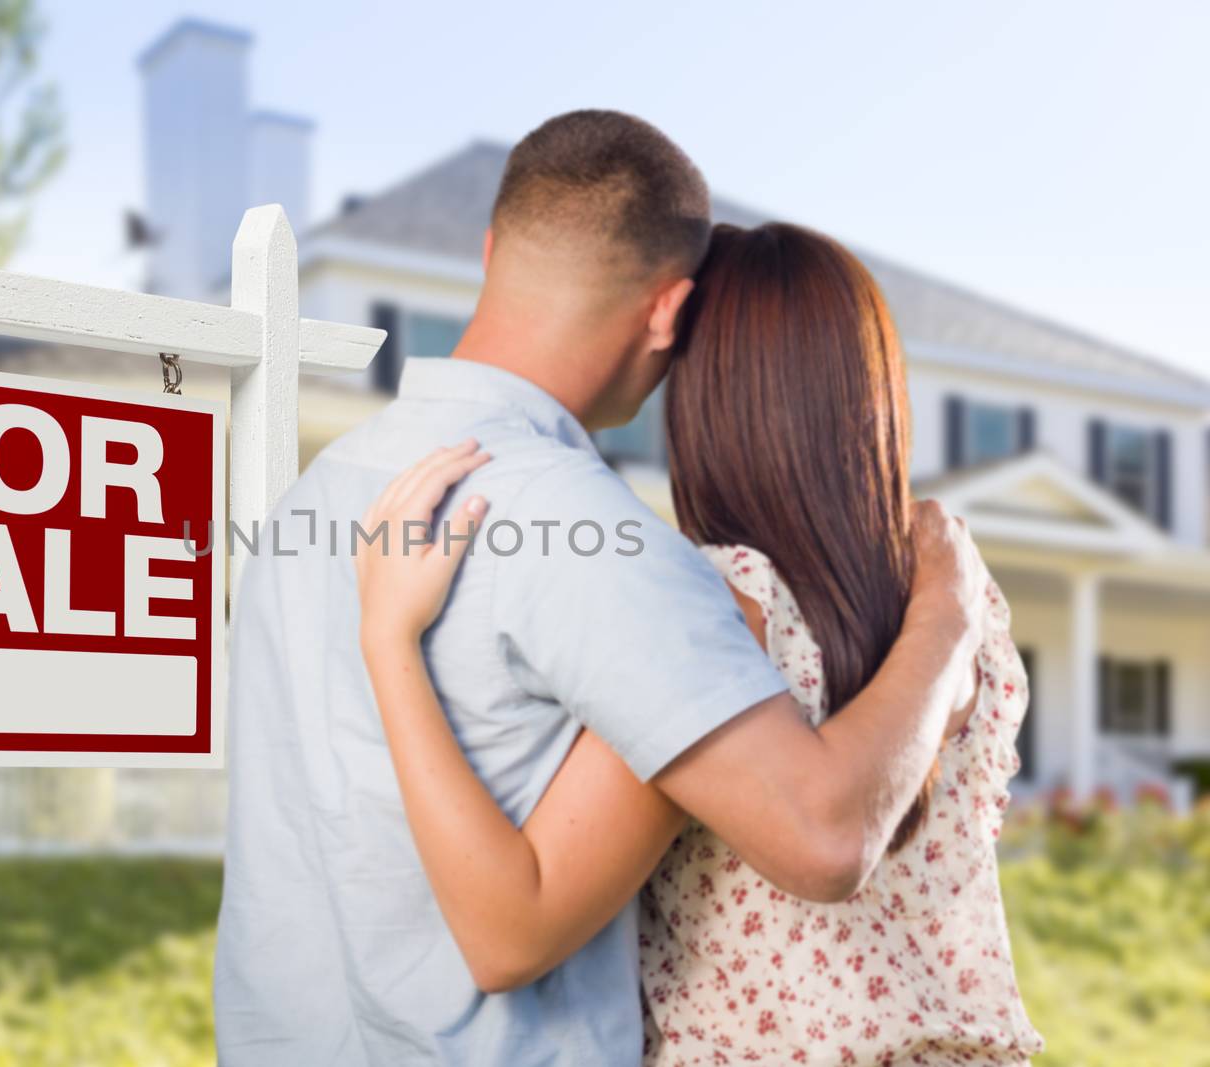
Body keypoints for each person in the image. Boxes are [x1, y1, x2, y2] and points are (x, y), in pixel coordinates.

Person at [215, 110, 986, 1066]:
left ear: (493, 247)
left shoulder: (305, 508)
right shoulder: (608, 545)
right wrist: (948, 614)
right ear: (669, 312)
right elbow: (823, 837)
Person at [354, 222, 1042, 1064]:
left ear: (709, 399)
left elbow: (511, 929)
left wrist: (389, 638)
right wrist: (947, 616)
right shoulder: (963, 601)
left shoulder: (722, 606)